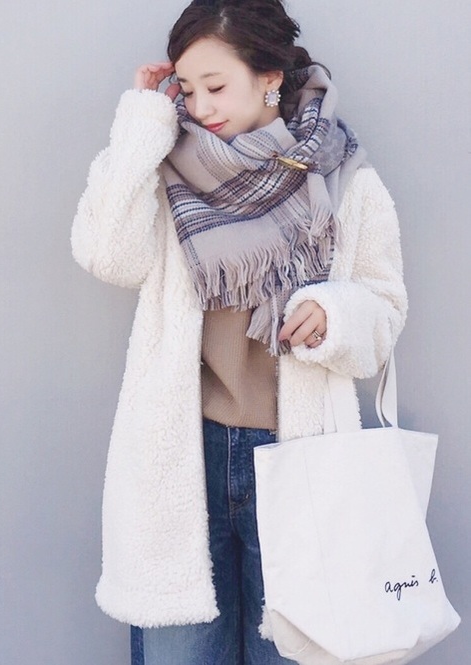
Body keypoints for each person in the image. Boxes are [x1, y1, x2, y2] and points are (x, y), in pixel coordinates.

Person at [71, 0, 407, 662]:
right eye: (187, 88)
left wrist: (336, 315)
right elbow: (107, 255)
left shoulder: (344, 176)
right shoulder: (164, 169)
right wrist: (141, 123)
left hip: (299, 458)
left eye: (216, 86)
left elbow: (385, 307)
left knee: (298, 648)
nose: (200, 107)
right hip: (184, 456)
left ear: (269, 77)